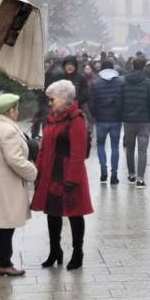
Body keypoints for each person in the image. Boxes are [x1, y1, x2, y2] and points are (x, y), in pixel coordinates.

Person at [31, 80, 92, 271]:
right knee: (52, 213)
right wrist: (38, 171)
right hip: (51, 171)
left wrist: (72, 179)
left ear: (65, 98)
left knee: (74, 214)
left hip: (68, 172)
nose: (50, 103)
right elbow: (43, 148)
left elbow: (78, 153)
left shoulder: (76, 119)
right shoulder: (51, 119)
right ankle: (55, 250)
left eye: (52, 99)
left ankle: (77, 252)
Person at [0, 94, 37, 277]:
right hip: (7, 183)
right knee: (7, 223)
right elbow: (16, 160)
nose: (18, 112)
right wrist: (34, 172)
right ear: (10, 110)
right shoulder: (8, 130)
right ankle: (4, 262)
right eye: (16, 108)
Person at [120, 58, 150, 187]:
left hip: (128, 120)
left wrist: (122, 116)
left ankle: (131, 174)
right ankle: (141, 179)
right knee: (142, 150)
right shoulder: (149, 83)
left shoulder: (124, 82)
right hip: (144, 120)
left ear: (132, 65)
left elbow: (119, 100)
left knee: (130, 149)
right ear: (144, 67)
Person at [89, 64, 125, 186]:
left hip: (101, 119)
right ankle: (114, 174)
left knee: (100, 145)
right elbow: (123, 100)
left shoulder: (95, 83)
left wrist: (95, 115)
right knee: (115, 146)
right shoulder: (120, 82)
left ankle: (103, 170)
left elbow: (91, 102)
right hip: (116, 119)